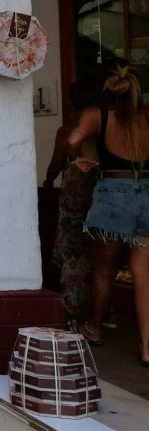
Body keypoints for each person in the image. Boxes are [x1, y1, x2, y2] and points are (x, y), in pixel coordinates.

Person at [68, 63, 149, 367]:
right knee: (145, 276)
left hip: (113, 194)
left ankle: (95, 328)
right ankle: (147, 348)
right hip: (147, 193)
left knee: (104, 270)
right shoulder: (146, 116)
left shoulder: (96, 115)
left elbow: (72, 142)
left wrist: (81, 155)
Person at [44, 81, 99, 328]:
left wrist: (48, 181)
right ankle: (100, 312)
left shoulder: (68, 131)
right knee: (99, 255)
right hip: (99, 194)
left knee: (72, 252)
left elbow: (56, 164)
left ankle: (73, 311)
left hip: (74, 197)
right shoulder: (105, 128)